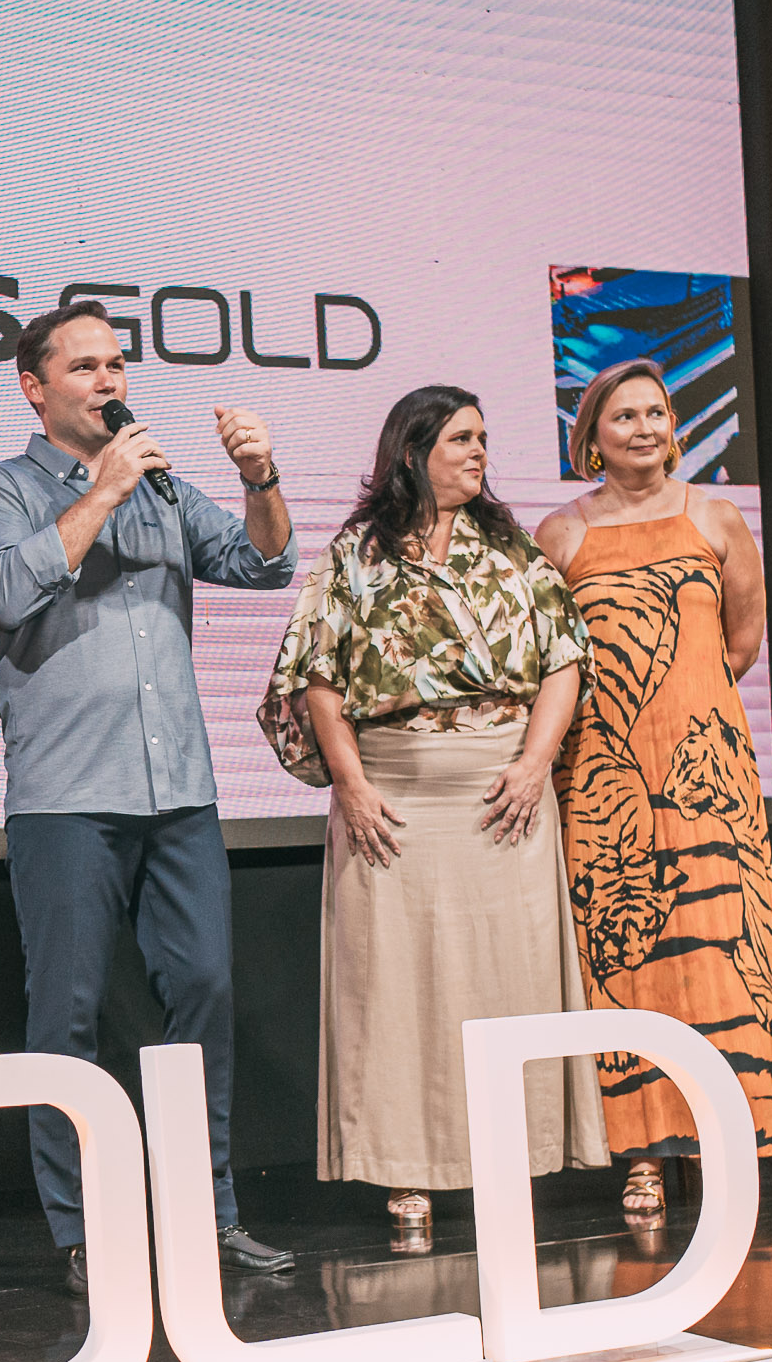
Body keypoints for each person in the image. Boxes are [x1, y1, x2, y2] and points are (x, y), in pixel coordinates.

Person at [0, 299, 297, 1293]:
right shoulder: (1, 491)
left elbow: (265, 562)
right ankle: (82, 1229)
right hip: (67, 795)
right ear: (34, 386)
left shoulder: (165, 488)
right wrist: (102, 490)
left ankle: (207, 1212)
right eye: (85, 367)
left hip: (177, 789)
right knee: (66, 1013)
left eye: (116, 364)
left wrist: (260, 479)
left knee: (205, 989)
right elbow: (8, 591)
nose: (109, 381)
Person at [260, 385, 607, 1252]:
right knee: (397, 990)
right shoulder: (356, 557)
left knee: (510, 980)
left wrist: (535, 763)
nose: (479, 452)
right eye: (461, 438)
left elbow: (564, 661)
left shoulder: (513, 550)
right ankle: (404, 1173)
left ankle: (519, 1157)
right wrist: (350, 785)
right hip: (393, 803)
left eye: (483, 437)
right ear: (413, 452)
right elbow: (319, 680)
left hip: (503, 799)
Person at [536, 357, 772, 1224]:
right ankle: (644, 1157)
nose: (645, 428)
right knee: (628, 963)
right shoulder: (560, 535)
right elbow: (548, 662)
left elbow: (741, 643)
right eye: (624, 416)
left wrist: (683, 712)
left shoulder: (716, 517)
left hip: (706, 776)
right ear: (592, 436)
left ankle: (736, 1139)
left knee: (725, 950)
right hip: (604, 779)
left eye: (655, 413)